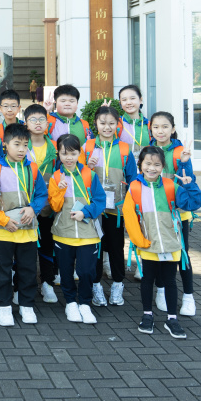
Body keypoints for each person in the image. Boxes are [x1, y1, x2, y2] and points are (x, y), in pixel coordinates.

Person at [124, 145, 201, 339]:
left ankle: (172, 318)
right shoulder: (134, 187)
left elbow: (193, 204)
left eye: (157, 165)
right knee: (147, 280)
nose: (152, 168)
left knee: (170, 281)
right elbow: (129, 217)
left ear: (163, 167)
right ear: (140, 164)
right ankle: (147, 315)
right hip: (148, 243)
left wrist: (190, 185)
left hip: (170, 243)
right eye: (148, 164)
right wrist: (139, 241)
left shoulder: (171, 186)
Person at [0, 123, 49, 326]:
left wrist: (33, 209)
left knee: (28, 269)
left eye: (25, 145)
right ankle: (4, 307)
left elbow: (42, 194)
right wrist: (3, 220)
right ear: (5, 144)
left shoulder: (33, 168)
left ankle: (26, 305)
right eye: (17, 144)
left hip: (27, 230)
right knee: (2, 270)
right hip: (2, 230)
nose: (21, 149)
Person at [48, 133, 106, 325]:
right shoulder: (56, 176)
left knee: (86, 271)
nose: (69, 158)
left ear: (80, 153)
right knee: (65, 272)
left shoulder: (90, 174)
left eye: (73, 153)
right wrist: (59, 190)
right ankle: (71, 303)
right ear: (58, 154)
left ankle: (85, 303)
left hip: (88, 233)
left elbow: (100, 200)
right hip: (63, 233)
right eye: (64, 153)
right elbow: (54, 206)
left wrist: (85, 213)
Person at [81, 105, 136, 308]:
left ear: (117, 125)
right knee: (95, 248)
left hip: (116, 210)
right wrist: (87, 167)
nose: (107, 127)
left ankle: (118, 284)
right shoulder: (87, 147)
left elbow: (132, 179)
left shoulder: (124, 149)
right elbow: (78, 176)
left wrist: (130, 206)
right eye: (103, 123)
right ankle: (96, 286)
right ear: (95, 124)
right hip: (94, 209)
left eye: (111, 123)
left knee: (116, 248)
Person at [148, 111, 201, 317]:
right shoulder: (148, 151)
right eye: (156, 127)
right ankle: (161, 291)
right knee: (159, 253)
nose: (160, 131)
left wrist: (185, 162)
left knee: (182, 255)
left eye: (165, 127)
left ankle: (188, 297)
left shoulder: (180, 152)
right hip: (155, 212)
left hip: (178, 214)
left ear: (173, 129)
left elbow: (189, 181)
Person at [22, 104, 59, 304]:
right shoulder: (20, 144)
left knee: (47, 246)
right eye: (33, 119)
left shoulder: (55, 147)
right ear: (25, 123)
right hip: (24, 206)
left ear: (47, 123)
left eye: (41, 119)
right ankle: (23, 285)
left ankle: (47, 283)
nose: (38, 123)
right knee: (24, 249)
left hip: (48, 207)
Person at [117, 84, 149, 157]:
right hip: (123, 164)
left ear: (140, 100)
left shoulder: (149, 125)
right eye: (124, 100)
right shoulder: (116, 124)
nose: (128, 102)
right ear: (120, 103)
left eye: (132, 98)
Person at [0, 89, 24, 153]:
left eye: (13, 106)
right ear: (0, 108)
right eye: (5, 106)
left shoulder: (26, 128)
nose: (9, 110)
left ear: (19, 108)